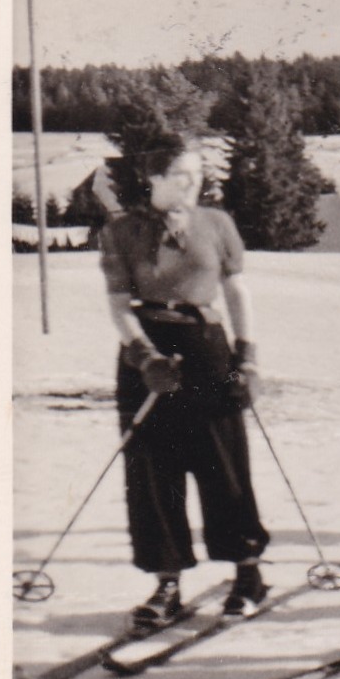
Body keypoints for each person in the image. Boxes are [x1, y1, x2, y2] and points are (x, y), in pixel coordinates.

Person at [98, 142, 271, 629]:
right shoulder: (121, 231)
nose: (190, 181)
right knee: (153, 470)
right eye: (178, 173)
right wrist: (143, 356)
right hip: (148, 352)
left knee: (223, 461)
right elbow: (116, 303)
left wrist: (248, 358)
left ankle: (247, 573)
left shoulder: (216, 225)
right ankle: (167, 581)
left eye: (196, 173)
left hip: (206, 349)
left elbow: (237, 291)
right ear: (151, 176)